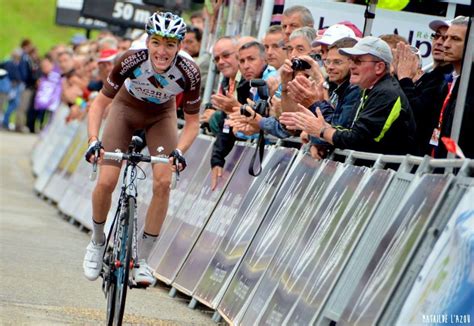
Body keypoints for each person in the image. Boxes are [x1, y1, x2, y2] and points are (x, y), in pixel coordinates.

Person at [83, 12, 201, 287]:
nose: (162, 51)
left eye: (170, 45)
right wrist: (92, 140)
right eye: (157, 42)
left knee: (163, 181)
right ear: (147, 42)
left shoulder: (189, 71)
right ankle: (97, 241)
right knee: (107, 181)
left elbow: (193, 123)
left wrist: (179, 150)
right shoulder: (130, 59)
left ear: (180, 47)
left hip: (162, 115)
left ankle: (143, 260)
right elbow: (99, 105)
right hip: (125, 109)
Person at [280, 36, 416, 155]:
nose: (351, 66)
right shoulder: (369, 89)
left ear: (379, 67)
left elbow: (355, 140)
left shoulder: (385, 93)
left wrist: (321, 130)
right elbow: (346, 129)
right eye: (351, 60)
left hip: (385, 177)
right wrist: (319, 128)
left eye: (358, 61)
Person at [396, 18, 453, 155]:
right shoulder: (431, 76)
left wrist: (405, 79)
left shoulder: (447, 80)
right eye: (437, 36)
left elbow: (415, 113)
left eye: (448, 38)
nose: (439, 42)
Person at [431, 16, 472, 158]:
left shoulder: (469, 86)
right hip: (440, 166)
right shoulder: (448, 82)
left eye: (455, 39)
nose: (446, 44)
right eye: (446, 37)